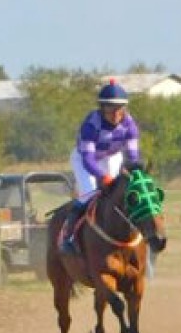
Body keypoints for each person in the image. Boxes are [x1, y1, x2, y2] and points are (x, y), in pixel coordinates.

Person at [60, 79, 141, 254]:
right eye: (111, 108)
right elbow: (88, 160)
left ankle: (136, 234)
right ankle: (69, 236)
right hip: (84, 159)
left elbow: (133, 156)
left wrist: (134, 173)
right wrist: (102, 177)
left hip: (111, 156)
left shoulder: (130, 125)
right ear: (102, 108)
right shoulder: (91, 124)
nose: (116, 113)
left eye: (120, 108)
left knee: (119, 194)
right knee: (90, 194)